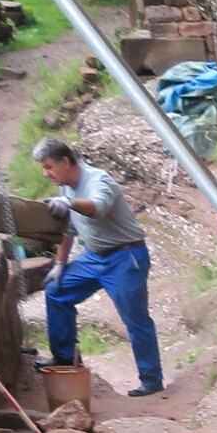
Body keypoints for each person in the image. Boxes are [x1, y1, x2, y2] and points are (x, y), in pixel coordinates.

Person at [34, 137, 162, 399]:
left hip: (125, 256)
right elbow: (68, 230)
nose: (46, 174)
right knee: (56, 291)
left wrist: (70, 203)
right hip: (94, 258)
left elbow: (98, 208)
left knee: (135, 318)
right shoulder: (66, 187)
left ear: (65, 162)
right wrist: (60, 264)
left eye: (49, 167)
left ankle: (151, 380)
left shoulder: (98, 180)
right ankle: (65, 358)